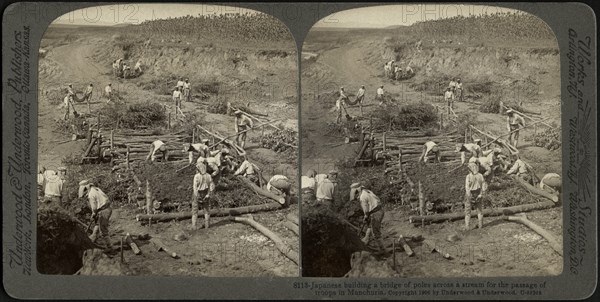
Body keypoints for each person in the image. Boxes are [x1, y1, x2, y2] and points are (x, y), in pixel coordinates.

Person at [350, 183, 385, 251]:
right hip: (379, 210)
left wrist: (365, 217)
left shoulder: (362, 197)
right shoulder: (367, 191)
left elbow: (366, 211)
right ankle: (365, 240)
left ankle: (383, 249)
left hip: (376, 213)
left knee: (375, 233)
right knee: (370, 226)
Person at [191, 163, 215, 229]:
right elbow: (212, 186)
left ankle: (194, 227)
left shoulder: (196, 176)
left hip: (198, 193)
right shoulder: (209, 176)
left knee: (195, 210)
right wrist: (208, 194)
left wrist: (197, 195)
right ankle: (207, 226)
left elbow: (195, 187)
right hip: (206, 192)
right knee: (206, 210)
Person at [464, 162, 487, 230]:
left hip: (470, 194)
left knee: (468, 211)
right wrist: (481, 194)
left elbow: (467, 187)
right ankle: (480, 226)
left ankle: (467, 227)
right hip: (478, 193)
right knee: (479, 211)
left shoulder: (468, 176)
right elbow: (484, 185)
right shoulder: (480, 175)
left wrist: (469, 196)